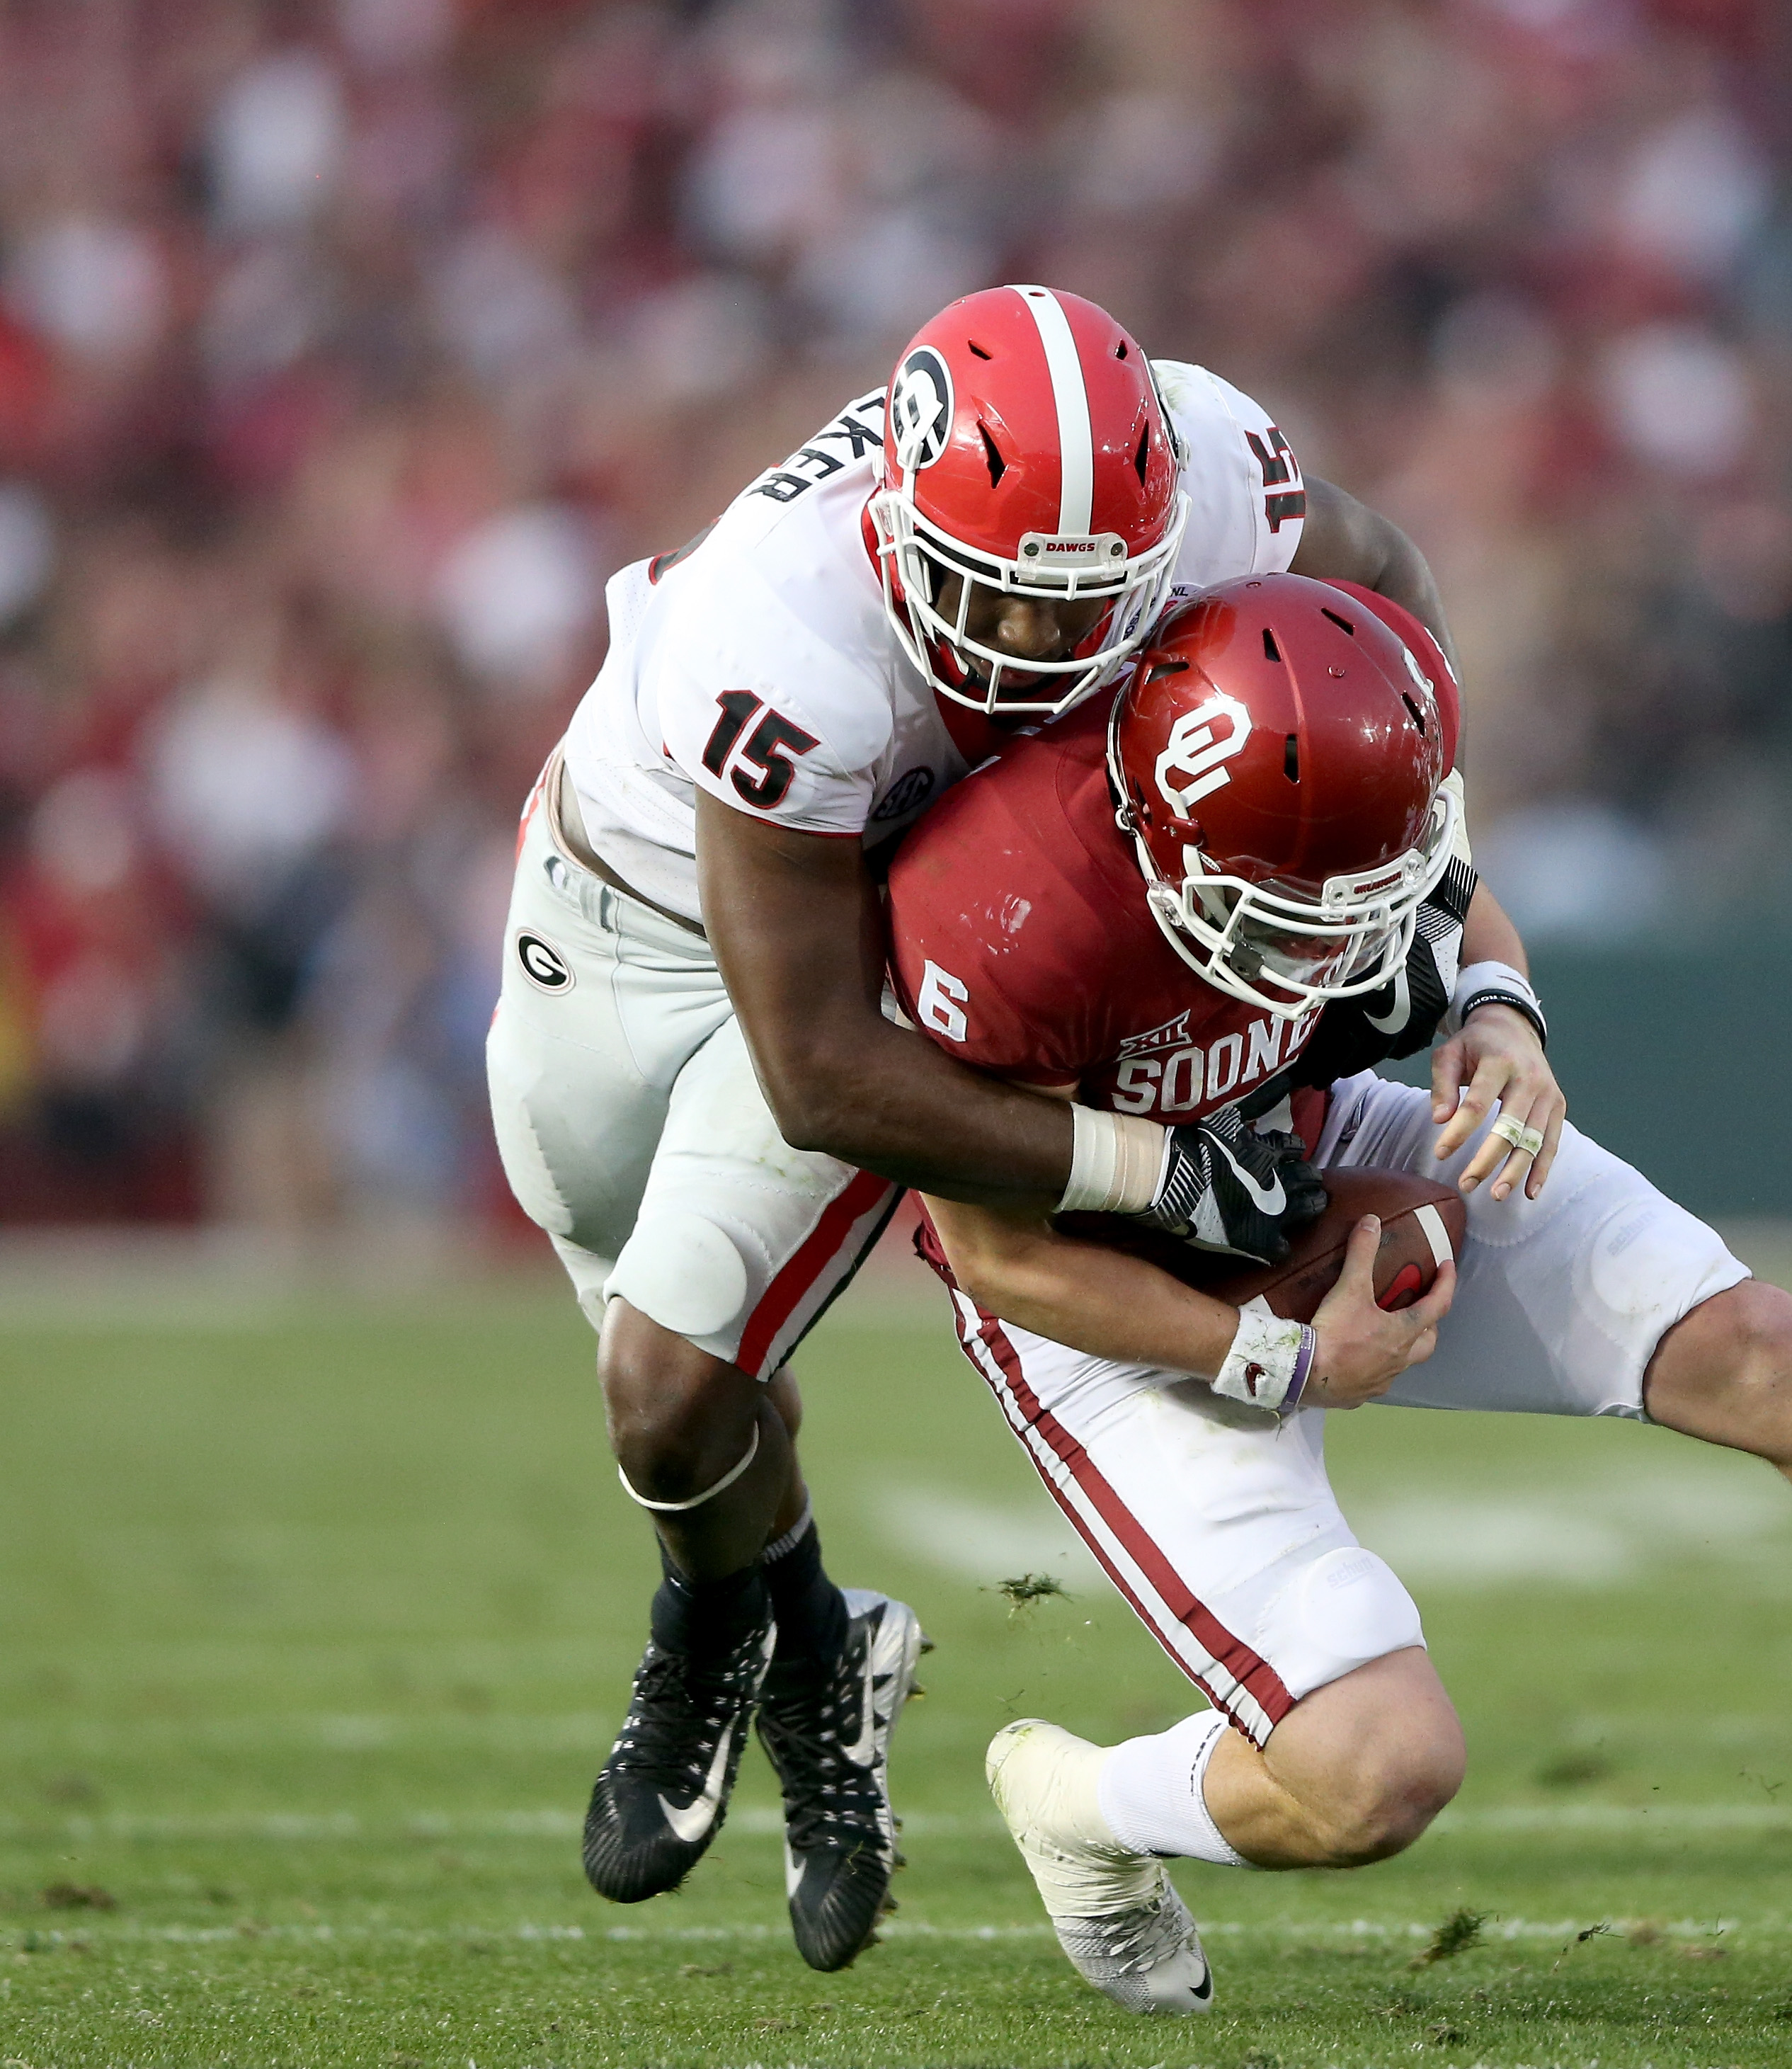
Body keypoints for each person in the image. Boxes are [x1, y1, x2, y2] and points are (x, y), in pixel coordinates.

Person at [883, 572, 1792, 2014]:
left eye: (1353, 901)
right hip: (1108, 1305)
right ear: (1161, 822)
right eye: (1290, 904)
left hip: (1318, 1149)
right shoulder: (1004, 912)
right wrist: (1274, 1356)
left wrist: (1498, 1015)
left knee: (1761, 1346)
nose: (1328, 948)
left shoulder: (1335, 780)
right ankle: (1081, 1797)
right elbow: (1006, 1254)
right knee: (1376, 1769)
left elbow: (1460, 912)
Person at [486, 282, 1449, 1970]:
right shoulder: (784, 627)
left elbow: (1387, 605)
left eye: (1092, 607)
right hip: (633, 913)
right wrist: (1163, 1167)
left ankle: (707, 1633)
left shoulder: (1218, 464)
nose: (1040, 657)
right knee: (684, 1414)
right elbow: (815, 1069)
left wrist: (1438, 878)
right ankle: (802, 1633)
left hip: (867, 935)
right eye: (997, 605)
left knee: (666, 1367)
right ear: (899, 521)